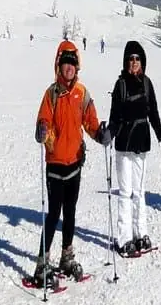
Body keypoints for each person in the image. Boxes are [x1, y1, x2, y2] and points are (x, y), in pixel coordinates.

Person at [31, 40, 111, 284]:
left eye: (72, 65)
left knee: (71, 212)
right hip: (56, 163)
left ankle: (66, 256)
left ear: (77, 68)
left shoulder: (82, 93)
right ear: (58, 66)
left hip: (75, 162)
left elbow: (90, 122)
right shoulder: (51, 93)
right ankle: (41, 264)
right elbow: (43, 119)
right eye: (65, 64)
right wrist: (43, 131)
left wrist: (100, 134)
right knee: (54, 213)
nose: (69, 69)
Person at [108, 41, 161, 257]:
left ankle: (140, 234)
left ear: (142, 62)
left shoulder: (146, 84)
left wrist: (159, 129)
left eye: (137, 58)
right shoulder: (121, 85)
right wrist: (109, 133)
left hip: (141, 143)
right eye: (131, 59)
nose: (134, 62)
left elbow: (153, 112)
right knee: (125, 192)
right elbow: (114, 117)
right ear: (126, 62)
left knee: (139, 192)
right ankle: (124, 239)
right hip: (124, 145)